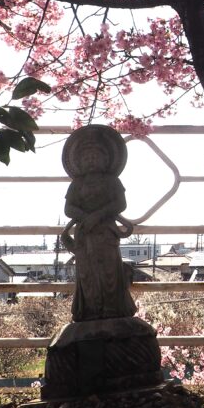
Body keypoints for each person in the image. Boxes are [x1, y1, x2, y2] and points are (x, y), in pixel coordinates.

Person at [60, 126, 136, 321]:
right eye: (86, 158)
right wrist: (85, 217)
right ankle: (90, 310)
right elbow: (68, 209)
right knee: (87, 273)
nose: (91, 161)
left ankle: (113, 309)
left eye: (95, 157)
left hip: (106, 233)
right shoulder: (76, 184)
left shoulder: (112, 181)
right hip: (85, 234)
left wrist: (99, 215)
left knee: (110, 271)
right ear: (79, 162)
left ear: (106, 159)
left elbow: (121, 204)